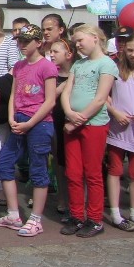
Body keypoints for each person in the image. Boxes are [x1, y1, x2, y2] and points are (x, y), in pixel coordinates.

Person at [0, 24, 57, 237]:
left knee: (38, 169)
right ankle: (13, 213)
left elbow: (49, 101)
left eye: (26, 41)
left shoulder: (46, 67)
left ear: (38, 43)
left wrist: (30, 123)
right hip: (19, 120)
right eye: (19, 41)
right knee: (4, 164)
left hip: (39, 123)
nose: (21, 45)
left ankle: (36, 218)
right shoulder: (19, 66)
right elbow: (13, 94)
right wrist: (11, 117)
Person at [59, 24, 118, 238]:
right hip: (72, 122)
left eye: (80, 40)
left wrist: (77, 120)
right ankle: (76, 214)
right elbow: (67, 91)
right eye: (75, 41)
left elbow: (101, 98)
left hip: (93, 124)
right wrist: (68, 111)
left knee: (92, 173)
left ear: (94, 38)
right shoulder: (78, 65)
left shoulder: (107, 64)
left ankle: (95, 219)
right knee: (73, 172)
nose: (78, 44)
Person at [105, 31, 134, 231]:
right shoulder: (116, 69)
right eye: (130, 50)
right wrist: (114, 112)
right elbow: (104, 94)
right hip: (118, 129)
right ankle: (115, 212)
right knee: (115, 170)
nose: (133, 54)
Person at [48, 38, 77, 219]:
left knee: (72, 164)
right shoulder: (52, 74)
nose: (51, 54)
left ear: (68, 55)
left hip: (72, 120)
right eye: (50, 51)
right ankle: (62, 198)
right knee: (58, 161)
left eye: (55, 52)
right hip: (54, 120)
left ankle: (76, 202)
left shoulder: (77, 72)